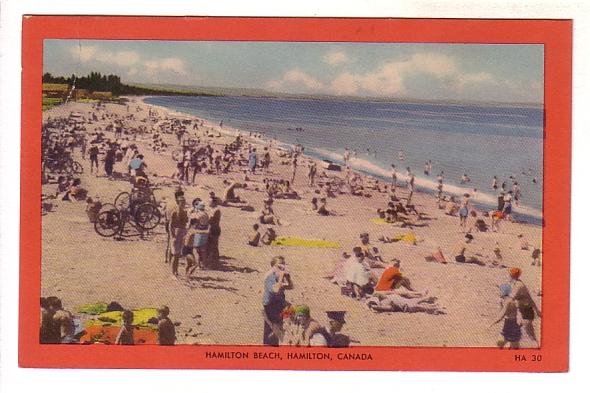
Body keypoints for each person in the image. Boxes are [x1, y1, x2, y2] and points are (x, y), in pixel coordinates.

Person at [262, 256, 293, 346]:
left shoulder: (278, 276)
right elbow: (275, 289)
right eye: (280, 267)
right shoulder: (270, 277)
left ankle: (277, 342)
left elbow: (291, 287)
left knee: (290, 314)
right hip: (270, 307)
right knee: (273, 328)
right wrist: (281, 277)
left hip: (278, 305)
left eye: (283, 267)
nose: (282, 269)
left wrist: (288, 278)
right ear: (273, 267)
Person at [509, 268, 541, 347]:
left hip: (526, 311)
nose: (508, 276)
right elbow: (530, 299)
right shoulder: (516, 284)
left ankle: (536, 348)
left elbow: (512, 297)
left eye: (510, 275)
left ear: (512, 276)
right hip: (522, 311)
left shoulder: (519, 285)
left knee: (530, 334)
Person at [490, 283, 521, 349]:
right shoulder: (511, 300)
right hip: (513, 324)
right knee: (514, 347)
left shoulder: (507, 302)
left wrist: (491, 323)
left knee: (500, 344)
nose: (499, 292)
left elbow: (501, 315)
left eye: (500, 290)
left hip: (509, 325)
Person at [168, 191, 188, 276]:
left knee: (178, 254)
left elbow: (185, 222)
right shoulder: (175, 212)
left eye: (184, 202)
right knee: (175, 254)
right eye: (182, 202)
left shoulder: (183, 211)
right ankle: (173, 272)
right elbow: (170, 225)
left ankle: (175, 271)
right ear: (178, 202)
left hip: (182, 233)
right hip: (177, 232)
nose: (183, 203)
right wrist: (172, 236)